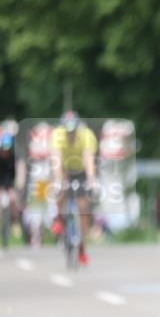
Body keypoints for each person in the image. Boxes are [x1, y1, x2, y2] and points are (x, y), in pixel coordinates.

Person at [50, 110, 98, 265]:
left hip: (81, 170)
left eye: (73, 131)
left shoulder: (87, 136)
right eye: (68, 131)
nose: (71, 134)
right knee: (60, 188)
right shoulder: (57, 135)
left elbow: (89, 159)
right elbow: (56, 160)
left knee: (83, 207)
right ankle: (59, 217)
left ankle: (82, 246)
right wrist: (58, 180)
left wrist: (91, 180)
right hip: (64, 169)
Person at [0, 133, 20, 237]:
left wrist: (19, 182)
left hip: (10, 178)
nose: (5, 151)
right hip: (0, 178)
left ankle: (15, 222)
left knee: (13, 198)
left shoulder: (14, 154)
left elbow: (20, 168)